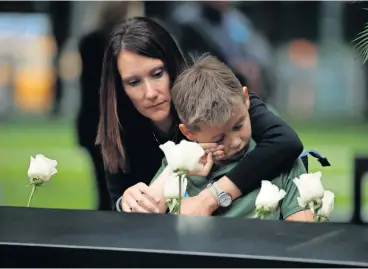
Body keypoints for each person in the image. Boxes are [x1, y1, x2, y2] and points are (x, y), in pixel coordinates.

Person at [96, 17, 303, 214]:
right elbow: (121, 208)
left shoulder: (213, 93)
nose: (150, 93)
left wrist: (213, 196)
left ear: (172, 64)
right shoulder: (118, 131)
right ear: (120, 87)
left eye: (157, 74)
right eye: (134, 82)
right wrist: (126, 202)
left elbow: (286, 141)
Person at [146, 55, 312, 221]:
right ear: (189, 133)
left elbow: (301, 236)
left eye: (238, 126)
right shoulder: (177, 164)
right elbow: (146, 223)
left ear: (246, 98)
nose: (236, 142)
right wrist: (176, 170)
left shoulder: (280, 160)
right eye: (219, 139)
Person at [77, 2, 129, 210]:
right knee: (111, 183)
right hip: (107, 119)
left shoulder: (90, 41)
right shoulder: (115, 44)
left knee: (103, 182)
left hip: (91, 119)